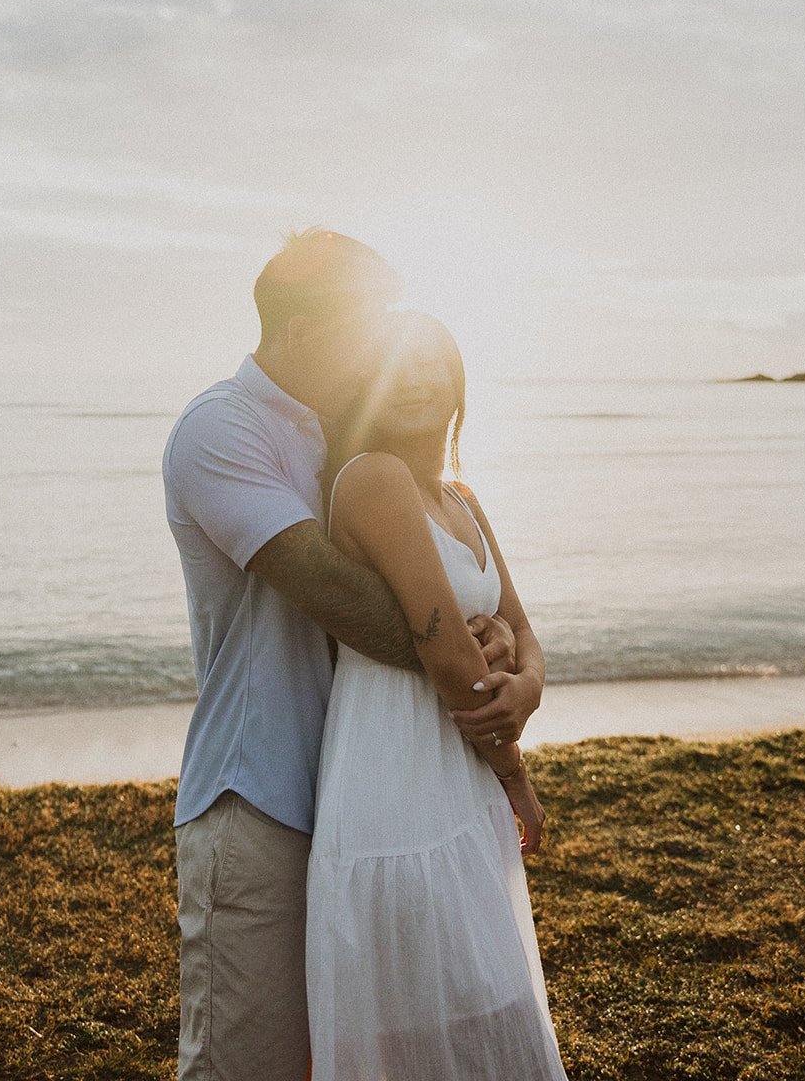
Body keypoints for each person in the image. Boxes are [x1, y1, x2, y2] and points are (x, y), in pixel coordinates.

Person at [163, 230, 534, 1080]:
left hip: (369, 787)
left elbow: (434, 557)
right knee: (241, 1062)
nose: (380, 346)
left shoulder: (346, 431)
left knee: (352, 1052)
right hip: (258, 794)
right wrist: (466, 640)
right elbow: (334, 596)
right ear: (298, 335)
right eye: (363, 327)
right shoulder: (220, 429)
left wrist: (495, 632)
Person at [307, 310, 569, 1079]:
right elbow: (448, 654)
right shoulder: (373, 478)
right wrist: (515, 774)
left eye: (435, 364)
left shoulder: (460, 495)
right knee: (422, 1020)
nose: (419, 379)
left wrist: (527, 686)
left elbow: (519, 626)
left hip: (464, 773)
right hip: (398, 779)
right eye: (399, 363)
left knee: (488, 999)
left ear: (457, 380)